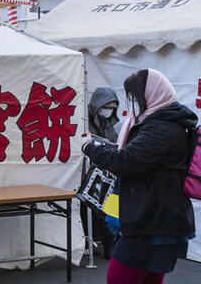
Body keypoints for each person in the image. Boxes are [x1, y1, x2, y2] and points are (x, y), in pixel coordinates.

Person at [82, 69, 196, 284]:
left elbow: (126, 162)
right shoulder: (165, 122)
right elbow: (134, 158)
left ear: (152, 95)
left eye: (135, 97)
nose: (133, 102)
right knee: (149, 280)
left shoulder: (161, 127)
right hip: (157, 217)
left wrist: (90, 148)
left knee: (118, 278)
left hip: (151, 220)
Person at [83, 87, 121, 258]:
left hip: (107, 171)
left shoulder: (108, 125)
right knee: (95, 207)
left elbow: (116, 143)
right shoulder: (85, 121)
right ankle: (104, 243)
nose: (109, 111)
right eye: (106, 107)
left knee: (106, 208)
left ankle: (109, 242)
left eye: (112, 107)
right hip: (88, 172)